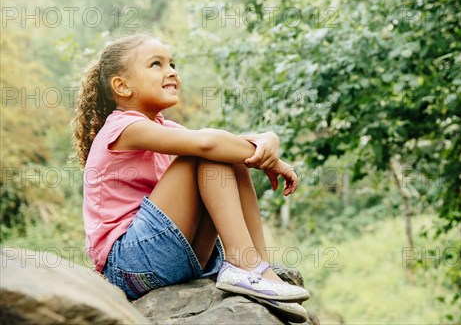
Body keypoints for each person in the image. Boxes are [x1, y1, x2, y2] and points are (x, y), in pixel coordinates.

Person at [72, 34, 309, 321]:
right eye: (156, 64)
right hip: (129, 265)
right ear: (122, 86)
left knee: (227, 157)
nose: (171, 71)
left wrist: (269, 139)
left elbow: (223, 144)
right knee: (207, 152)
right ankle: (244, 266)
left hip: (168, 255)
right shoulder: (123, 128)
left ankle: (259, 268)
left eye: (172, 63)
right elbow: (207, 145)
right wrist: (270, 155)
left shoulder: (163, 128)